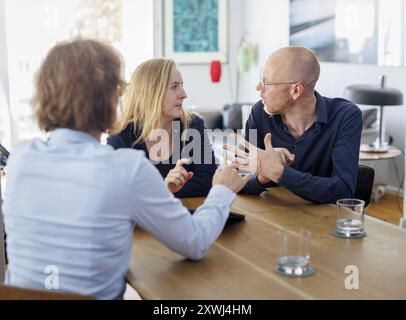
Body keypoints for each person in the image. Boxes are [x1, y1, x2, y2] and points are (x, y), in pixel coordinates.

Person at [3, 39, 250, 300]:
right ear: (109, 98)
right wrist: (221, 190)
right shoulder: (125, 168)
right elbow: (195, 242)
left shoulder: (19, 160)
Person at [226, 47, 362, 204]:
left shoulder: (345, 116)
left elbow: (343, 191)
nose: (258, 87)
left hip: (324, 221)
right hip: (272, 217)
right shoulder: (259, 113)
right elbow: (235, 182)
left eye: (266, 82)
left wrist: (280, 173)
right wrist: (263, 177)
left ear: (296, 90)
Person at [107, 58, 217, 198]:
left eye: (182, 85)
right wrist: (165, 188)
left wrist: (165, 191)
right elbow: (118, 194)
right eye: (174, 86)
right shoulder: (121, 136)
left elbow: (208, 182)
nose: (184, 94)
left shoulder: (194, 125)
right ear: (150, 92)